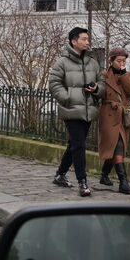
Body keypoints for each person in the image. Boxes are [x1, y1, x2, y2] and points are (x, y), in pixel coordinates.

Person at [47, 26, 105, 197]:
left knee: (74, 144)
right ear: (74, 41)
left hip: (89, 110)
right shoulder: (62, 62)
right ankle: (82, 182)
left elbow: (102, 83)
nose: (88, 42)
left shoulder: (93, 62)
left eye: (88, 39)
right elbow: (54, 84)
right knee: (79, 145)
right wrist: (68, 98)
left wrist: (95, 89)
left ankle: (60, 175)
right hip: (71, 109)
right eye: (84, 39)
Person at [97, 48, 130, 194]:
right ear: (111, 61)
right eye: (118, 61)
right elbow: (100, 93)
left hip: (122, 115)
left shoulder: (128, 75)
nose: (122, 63)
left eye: (124, 61)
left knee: (116, 146)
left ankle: (104, 174)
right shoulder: (104, 75)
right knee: (117, 145)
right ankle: (123, 182)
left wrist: (124, 75)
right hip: (108, 114)